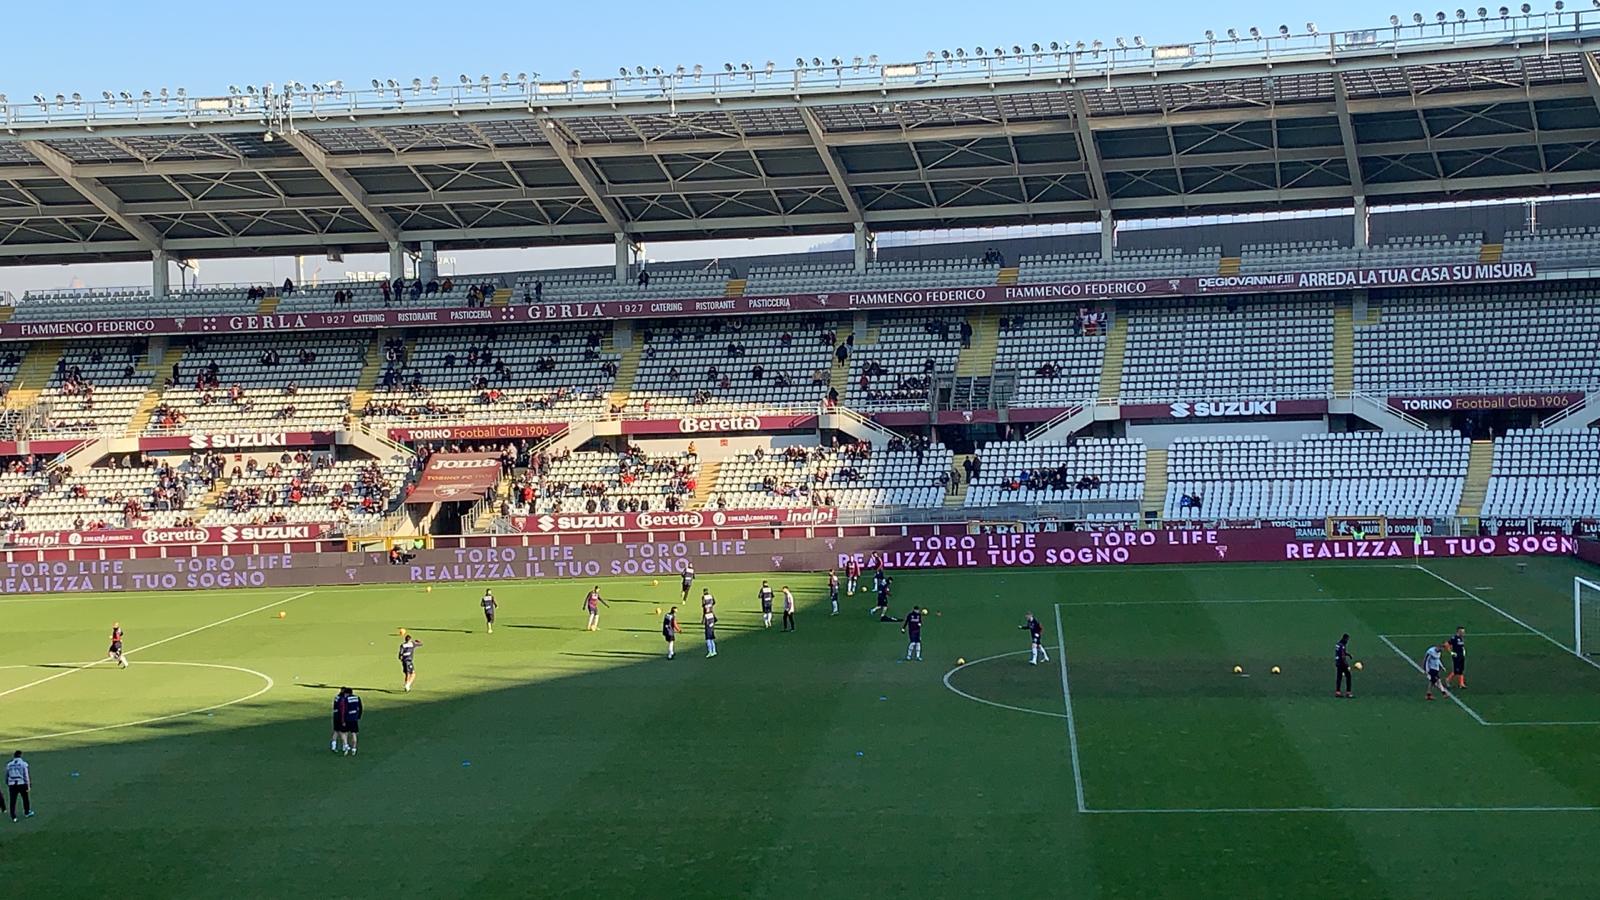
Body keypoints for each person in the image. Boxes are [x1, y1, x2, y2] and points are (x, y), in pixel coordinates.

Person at [331, 687, 362, 756]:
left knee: (342, 732)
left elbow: (343, 709)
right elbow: (360, 707)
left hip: (343, 718)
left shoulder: (342, 698)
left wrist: (343, 720)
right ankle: (354, 748)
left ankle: (345, 745)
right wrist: (358, 716)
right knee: (353, 733)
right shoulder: (357, 698)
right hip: (354, 719)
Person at [5, 751, 31, 822]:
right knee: (25, 798)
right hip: (21, 783)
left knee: (12, 800)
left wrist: (8, 782)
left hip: (12, 784)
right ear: (20, 755)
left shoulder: (9, 764)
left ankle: (13, 816)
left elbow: (7, 775)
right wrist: (28, 785)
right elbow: (26, 775)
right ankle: (27, 812)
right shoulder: (23, 764)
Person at [1334, 633, 1354, 698]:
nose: (1347, 641)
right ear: (1345, 639)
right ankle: (1348, 692)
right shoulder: (1343, 645)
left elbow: (1341, 652)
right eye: (1347, 639)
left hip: (1338, 662)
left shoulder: (1338, 644)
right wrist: (1347, 665)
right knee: (1348, 676)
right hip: (1342, 663)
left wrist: (1348, 655)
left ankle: (1337, 692)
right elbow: (1342, 656)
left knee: (1339, 677)